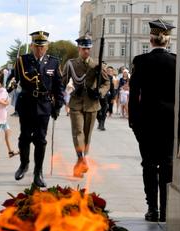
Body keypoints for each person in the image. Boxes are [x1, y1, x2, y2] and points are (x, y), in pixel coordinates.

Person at [129, 19, 176, 222]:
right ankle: (166, 210)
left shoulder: (140, 61)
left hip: (146, 122)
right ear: (168, 40)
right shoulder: (177, 60)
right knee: (167, 165)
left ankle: (152, 209)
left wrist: (133, 122)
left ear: (151, 39)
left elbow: (134, 95)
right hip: (169, 122)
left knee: (148, 165)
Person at [14, 31, 64, 187]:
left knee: (40, 140)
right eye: (36, 46)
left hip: (44, 104)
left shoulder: (54, 62)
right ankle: (24, 164)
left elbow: (58, 85)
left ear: (47, 47)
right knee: (24, 137)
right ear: (31, 46)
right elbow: (20, 78)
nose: (39, 49)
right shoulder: (23, 60)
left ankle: (38, 172)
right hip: (27, 102)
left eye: (42, 47)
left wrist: (58, 105)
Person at [62, 35, 110, 178]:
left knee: (87, 135)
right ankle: (82, 159)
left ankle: (80, 161)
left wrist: (100, 92)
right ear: (79, 49)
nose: (86, 51)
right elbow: (62, 81)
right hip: (76, 102)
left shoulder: (96, 65)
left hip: (92, 104)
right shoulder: (71, 64)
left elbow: (106, 83)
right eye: (84, 49)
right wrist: (63, 91)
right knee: (78, 132)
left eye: (88, 49)